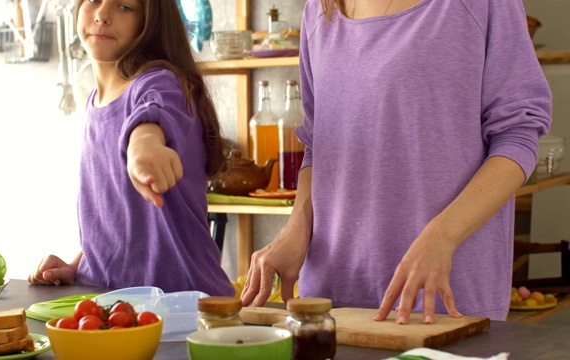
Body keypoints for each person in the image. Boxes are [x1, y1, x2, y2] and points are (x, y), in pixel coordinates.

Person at [240, 0, 552, 323]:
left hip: (442, 302)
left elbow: (517, 136)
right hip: (331, 304)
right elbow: (318, 146)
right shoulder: (318, 12)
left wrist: (443, 236)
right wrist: (296, 230)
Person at [28, 0, 234, 296]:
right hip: (112, 302)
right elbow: (116, 217)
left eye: (124, 6)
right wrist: (80, 264)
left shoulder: (160, 83)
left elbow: (151, 115)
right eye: (94, 0)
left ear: (150, 22)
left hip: (181, 304)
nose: (101, 15)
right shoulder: (93, 102)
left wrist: (143, 146)